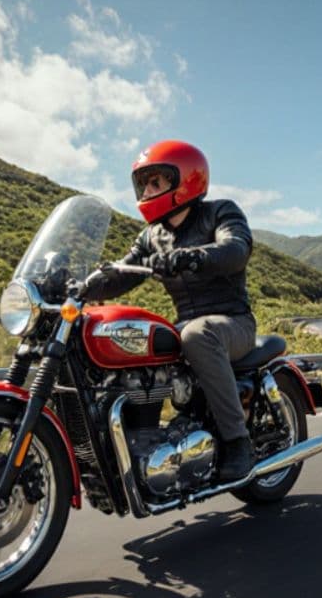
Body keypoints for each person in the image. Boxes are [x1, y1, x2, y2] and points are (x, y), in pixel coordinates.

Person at [84, 139, 256, 480]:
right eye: (143, 183)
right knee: (127, 337)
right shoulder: (152, 236)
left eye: (155, 182)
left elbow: (236, 249)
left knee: (196, 334)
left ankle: (238, 441)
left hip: (232, 323)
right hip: (186, 326)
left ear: (185, 180)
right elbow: (122, 272)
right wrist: (82, 285)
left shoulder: (220, 212)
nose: (147, 191)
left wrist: (195, 256)